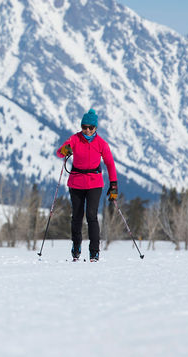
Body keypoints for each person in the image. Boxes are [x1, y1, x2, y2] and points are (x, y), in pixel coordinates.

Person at [55, 108, 118, 262]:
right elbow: (59, 153)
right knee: (76, 216)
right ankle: (76, 248)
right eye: (84, 127)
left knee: (91, 215)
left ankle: (94, 252)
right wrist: (65, 150)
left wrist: (114, 185)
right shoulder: (74, 139)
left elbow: (110, 164)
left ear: (96, 128)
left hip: (94, 183)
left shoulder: (102, 143)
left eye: (91, 128)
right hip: (76, 182)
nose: (87, 130)